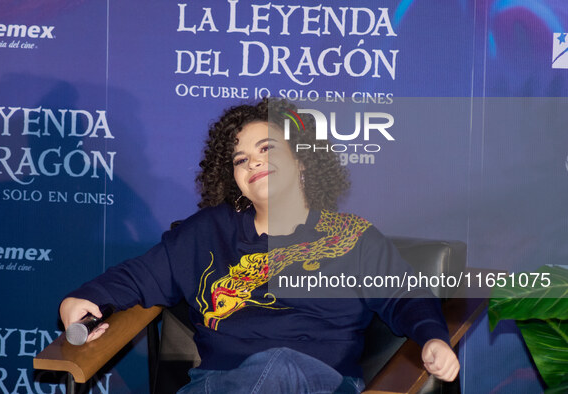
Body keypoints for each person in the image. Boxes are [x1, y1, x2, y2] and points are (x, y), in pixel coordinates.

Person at [60, 99, 459, 393]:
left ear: (302, 160)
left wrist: (433, 338)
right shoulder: (206, 233)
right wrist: (82, 299)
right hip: (217, 384)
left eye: (267, 149)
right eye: (240, 159)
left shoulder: (351, 235)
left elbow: (406, 296)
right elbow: (140, 276)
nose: (253, 163)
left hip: (322, 384)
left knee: (279, 365)